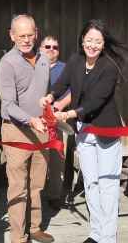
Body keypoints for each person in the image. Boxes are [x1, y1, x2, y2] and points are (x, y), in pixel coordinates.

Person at [40, 19, 128, 243]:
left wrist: (67, 115)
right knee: (90, 183)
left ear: (104, 44)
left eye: (98, 41)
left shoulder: (109, 67)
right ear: (82, 39)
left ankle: (108, 238)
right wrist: (51, 97)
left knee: (108, 185)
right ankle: (96, 233)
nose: (92, 45)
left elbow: (94, 102)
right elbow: (62, 84)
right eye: (89, 40)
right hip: (84, 130)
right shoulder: (75, 60)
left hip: (107, 131)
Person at [0, 14, 54, 243]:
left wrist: (50, 100)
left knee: (37, 183)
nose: (26, 39)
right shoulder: (7, 64)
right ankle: (18, 237)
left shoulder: (44, 59)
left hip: (41, 129)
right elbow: (8, 105)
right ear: (12, 36)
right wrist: (31, 120)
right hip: (16, 130)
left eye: (30, 34)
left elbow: (46, 90)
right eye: (21, 36)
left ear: (37, 33)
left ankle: (34, 226)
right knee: (18, 186)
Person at [39, 35, 69, 211]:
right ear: (40, 48)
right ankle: (36, 195)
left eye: (55, 47)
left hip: (58, 119)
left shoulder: (66, 69)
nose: (51, 49)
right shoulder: (32, 66)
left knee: (57, 161)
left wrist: (56, 109)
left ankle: (55, 195)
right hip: (36, 121)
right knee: (37, 158)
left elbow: (71, 91)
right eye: (47, 46)